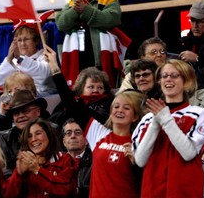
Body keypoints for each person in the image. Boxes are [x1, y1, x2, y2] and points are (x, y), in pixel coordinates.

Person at [44, 45, 145, 197]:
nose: (119, 110)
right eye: (116, 106)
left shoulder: (139, 141)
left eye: (126, 108)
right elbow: (72, 104)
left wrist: (138, 162)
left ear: (136, 116)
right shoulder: (98, 133)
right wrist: (54, 68)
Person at [132, 59, 204, 197]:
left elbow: (188, 153)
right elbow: (140, 160)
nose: (168, 79)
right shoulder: (148, 119)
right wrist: (155, 122)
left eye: (174, 75)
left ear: (186, 81)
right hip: (152, 192)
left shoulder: (199, 114)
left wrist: (165, 119)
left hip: (185, 192)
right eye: (164, 76)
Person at [55, 0, 121, 87]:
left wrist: (85, 10)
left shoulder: (109, 0)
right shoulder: (73, 3)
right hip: (77, 61)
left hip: (102, 61)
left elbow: (112, 19)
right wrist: (75, 11)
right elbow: (61, 24)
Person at [2, 117, 78, 197]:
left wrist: (37, 170)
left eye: (38, 133)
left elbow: (66, 189)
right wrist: (18, 174)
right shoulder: (25, 164)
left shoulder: (65, 159)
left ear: (48, 135)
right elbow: (8, 195)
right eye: (29, 136)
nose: (34, 139)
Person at [0, 21, 57, 97]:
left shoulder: (45, 56)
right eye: (19, 40)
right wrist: (9, 59)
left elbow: (44, 76)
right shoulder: (14, 61)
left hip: (41, 100)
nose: (22, 44)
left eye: (26, 39)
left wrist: (20, 58)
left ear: (36, 41)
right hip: (16, 102)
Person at [0, 89, 49, 179]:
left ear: (38, 111)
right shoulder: (5, 139)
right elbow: (6, 173)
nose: (20, 116)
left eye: (25, 111)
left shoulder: (53, 131)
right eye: (16, 113)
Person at [50, 66, 114, 128]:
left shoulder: (110, 101)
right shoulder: (72, 99)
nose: (96, 90)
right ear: (81, 88)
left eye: (100, 88)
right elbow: (53, 121)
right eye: (91, 87)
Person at [179, 0, 204, 108]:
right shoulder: (186, 41)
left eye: (200, 21)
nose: (195, 25)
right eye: (192, 20)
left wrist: (198, 59)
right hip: (189, 91)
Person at [62, 118, 92, 198]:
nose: (73, 136)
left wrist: (77, 191)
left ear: (86, 140)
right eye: (68, 133)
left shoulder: (96, 162)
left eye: (78, 132)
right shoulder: (56, 162)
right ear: (64, 142)